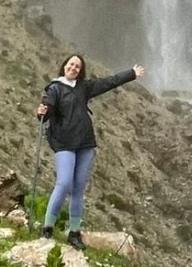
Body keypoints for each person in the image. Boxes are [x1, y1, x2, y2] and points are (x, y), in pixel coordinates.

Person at [35, 54, 145, 249]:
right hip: (64, 143)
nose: (74, 68)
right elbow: (48, 110)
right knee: (63, 183)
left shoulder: (83, 87)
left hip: (85, 143)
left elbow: (108, 82)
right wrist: (41, 112)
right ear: (64, 66)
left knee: (78, 188)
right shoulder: (54, 88)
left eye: (78, 66)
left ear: (81, 71)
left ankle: (74, 232)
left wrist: (131, 74)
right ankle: (47, 228)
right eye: (71, 64)